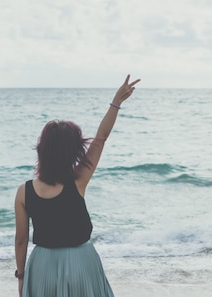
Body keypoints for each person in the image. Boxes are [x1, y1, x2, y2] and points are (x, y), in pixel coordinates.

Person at [14, 75, 140, 297]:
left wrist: (22, 277)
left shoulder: (24, 192)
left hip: (42, 265)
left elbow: (21, 239)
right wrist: (115, 103)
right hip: (81, 262)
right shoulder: (78, 180)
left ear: (42, 150)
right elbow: (101, 138)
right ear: (73, 151)